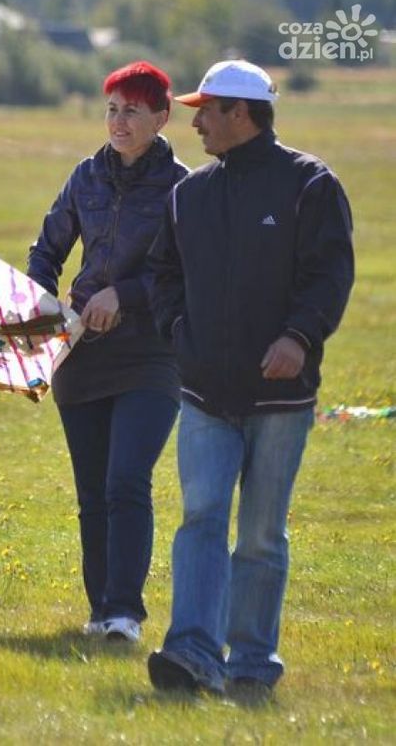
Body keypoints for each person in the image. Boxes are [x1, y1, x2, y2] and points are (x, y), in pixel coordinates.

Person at [147, 60, 354, 700]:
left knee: (261, 534)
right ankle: (192, 655)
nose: (196, 121)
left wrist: (298, 337)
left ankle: (252, 667)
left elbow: (329, 275)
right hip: (205, 392)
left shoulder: (310, 185)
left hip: (281, 399)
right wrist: (181, 337)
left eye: (205, 109)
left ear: (241, 113)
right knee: (201, 520)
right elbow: (164, 276)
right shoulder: (190, 194)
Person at [27, 61, 187, 644]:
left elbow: (188, 273)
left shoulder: (183, 186)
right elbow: (45, 252)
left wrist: (127, 293)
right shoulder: (84, 177)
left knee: (127, 480)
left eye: (133, 111)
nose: (119, 122)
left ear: (161, 117)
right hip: (82, 355)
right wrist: (45, 309)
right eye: (112, 110)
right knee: (92, 491)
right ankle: (100, 614)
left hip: (151, 354)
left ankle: (125, 612)